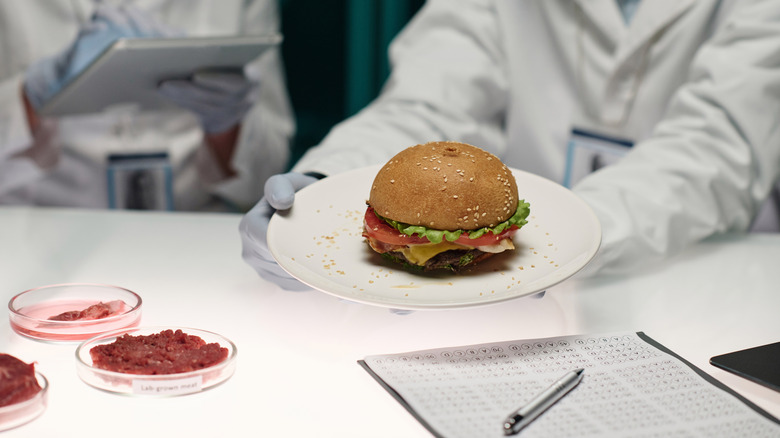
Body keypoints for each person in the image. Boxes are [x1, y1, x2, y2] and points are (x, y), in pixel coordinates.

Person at [240, 0, 780, 289]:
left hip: (699, 272)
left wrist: (558, 244)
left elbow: (714, 147)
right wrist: (320, 188)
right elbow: (428, 103)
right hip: (504, 278)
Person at [0, 0, 294, 212]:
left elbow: (268, 178)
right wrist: (29, 96)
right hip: (35, 224)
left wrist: (229, 125)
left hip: (194, 229)